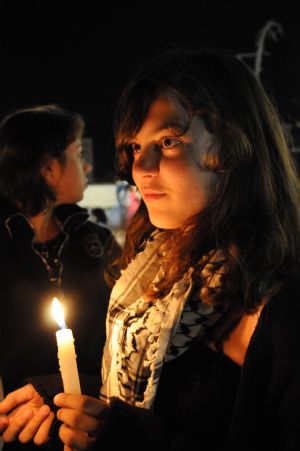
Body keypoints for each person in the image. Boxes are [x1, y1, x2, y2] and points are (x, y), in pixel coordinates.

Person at [1, 47, 300, 451]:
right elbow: (155, 400)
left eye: (170, 141)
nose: (140, 169)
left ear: (232, 147)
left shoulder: (277, 310)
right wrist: (67, 396)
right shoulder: (154, 269)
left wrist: (125, 437)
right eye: (136, 148)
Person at [0, 105, 120, 450]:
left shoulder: (96, 242)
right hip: (23, 431)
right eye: (78, 154)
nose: (86, 166)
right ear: (49, 168)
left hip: (101, 422)